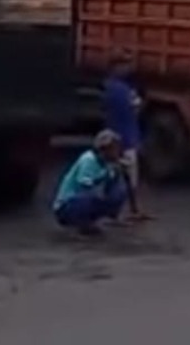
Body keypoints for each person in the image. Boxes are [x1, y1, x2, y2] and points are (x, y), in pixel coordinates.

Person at [102, 53, 151, 222]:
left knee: (115, 176)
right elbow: (136, 107)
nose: (129, 68)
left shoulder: (109, 87)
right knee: (129, 177)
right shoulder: (124, 89)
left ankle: (115, 212)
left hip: (114, 138)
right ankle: (131, 210)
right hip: (127, 137)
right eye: (126, 64)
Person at [52, 130, 129, 235]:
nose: (117, 151)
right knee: (88, 198)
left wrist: (117, 173)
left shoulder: (108, 163)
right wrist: (104, 177)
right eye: (114, 148)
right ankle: (82, 224)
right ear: (105, 149)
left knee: (119, 191)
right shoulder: (88, 160)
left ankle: (95, 221)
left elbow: (110, 188)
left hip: (84, 199)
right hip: (66, 205)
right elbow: (85, 186)